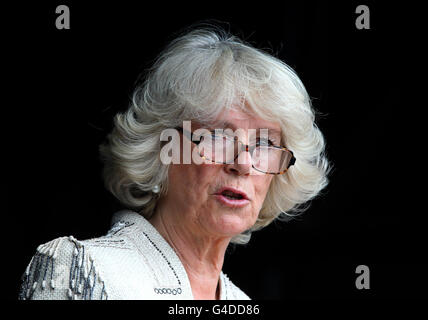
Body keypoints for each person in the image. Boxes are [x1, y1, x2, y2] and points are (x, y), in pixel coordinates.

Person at [19, 25, 329, 300]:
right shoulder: (81, 269)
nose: (243, 164)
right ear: (163, 149)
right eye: (219, 136)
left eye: (265, 144)